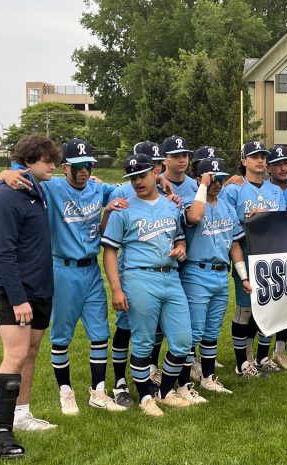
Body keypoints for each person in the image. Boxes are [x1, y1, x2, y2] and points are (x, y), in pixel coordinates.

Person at [0, 138, 126, 415]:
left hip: (92, 270)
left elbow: (128, 190)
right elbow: (20, 171)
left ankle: (98, 391)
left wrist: (165, 184)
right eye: (79, 166)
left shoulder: (97, 188)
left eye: (89, 165)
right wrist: (5, 172)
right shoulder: (51, 187)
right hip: (62, 270)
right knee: (61, 335)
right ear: (65, 167)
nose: (84, 171)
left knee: (100, 333)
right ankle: (65, 392)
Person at [101, 153, 193, 416]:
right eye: (132, 178)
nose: (137, 182)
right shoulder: (123, 208)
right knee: (142, 342)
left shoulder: (171, 205)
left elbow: (179, 239)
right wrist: (117, 290)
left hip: (171, 276)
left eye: (141, 175)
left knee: (183, 341)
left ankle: (164, 392)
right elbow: (109, 252)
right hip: (139, 277)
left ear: (155, 172)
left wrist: (181, 248)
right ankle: (146, 398)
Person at [0, 135, 59, 460]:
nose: (54, 167)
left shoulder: (36, 188)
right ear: (29, 161)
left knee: (31, 350)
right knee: (15, 355)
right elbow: (1, 252)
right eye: (48, 161)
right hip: (13, 290)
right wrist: (18, 299)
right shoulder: (6, 194)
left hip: (40, 288)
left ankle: (22, 414)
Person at [181, 157, 250, 394]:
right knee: (193, 332)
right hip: (196, 272)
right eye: (212, 178)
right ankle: (184, 384)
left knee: (211, 332)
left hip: (221, 274)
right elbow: (195, 217)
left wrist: (243, 276)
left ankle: (208, 377)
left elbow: (234, 245)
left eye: (220, 177)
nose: (217, 182)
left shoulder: (227, 207)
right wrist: (203, 186)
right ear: (199, 179)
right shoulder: (191, 202)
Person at [220, 141, 285, 378]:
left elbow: (283, 224)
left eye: (263, 157)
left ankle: (262, 356)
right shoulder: (234, 189)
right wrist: (251, 221)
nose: (260, 160)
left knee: (267, 306)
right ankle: (242, 362)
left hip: (270, 253)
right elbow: (225, 222)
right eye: (254, 156)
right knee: (245, 309)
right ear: (244, 161)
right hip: (245, 251)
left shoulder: (275, 191)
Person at [265, 145, 287, 370]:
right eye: (277, 164)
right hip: (267, 251)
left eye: (286, 163)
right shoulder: (263, 188)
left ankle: (280, 348)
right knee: (263, 303)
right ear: (268, 168)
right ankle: (251, 352)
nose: (283, 167)